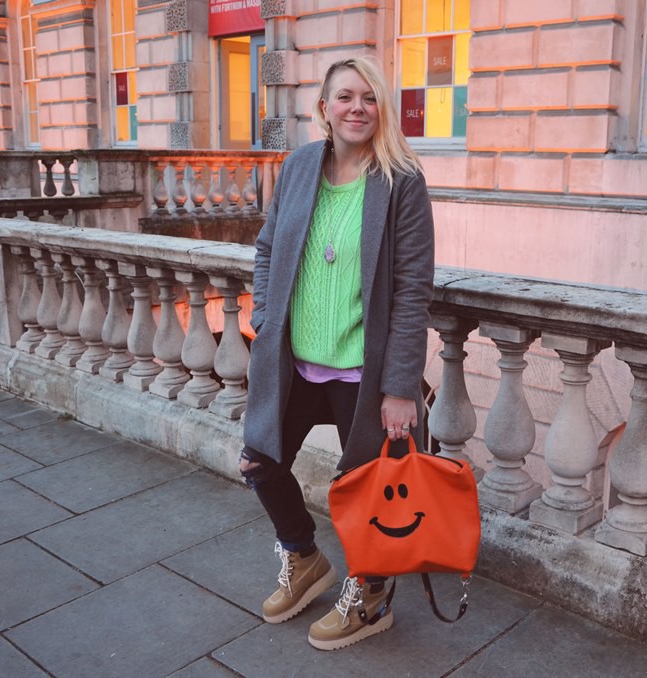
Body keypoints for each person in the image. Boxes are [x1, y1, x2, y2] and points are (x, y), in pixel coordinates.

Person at [238, 56, 435, 651]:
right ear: (323, 108)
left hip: (362, 371)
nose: (356, 108)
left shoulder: (402, 181)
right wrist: (267, 319)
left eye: (368, 98)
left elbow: (411, 288)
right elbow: (268, 247)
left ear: (381, 109)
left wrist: (401, 384)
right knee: (259, 462)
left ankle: (370, 597)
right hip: (295, 361)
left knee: (365, 494)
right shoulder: (299, 166)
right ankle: (303, 558)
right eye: (344, 96)